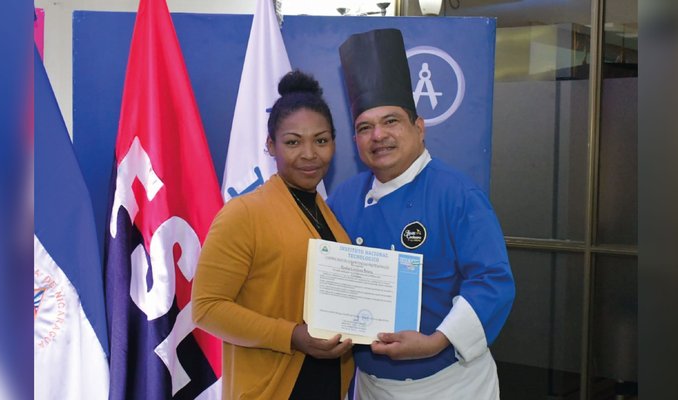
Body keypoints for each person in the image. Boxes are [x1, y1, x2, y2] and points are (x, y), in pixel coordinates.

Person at [327, 29, 515, 399]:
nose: (378, 135)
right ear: (356, 141)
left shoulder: (457, 194)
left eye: (391, 121)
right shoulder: (343, 198)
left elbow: (492, 281)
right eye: (365, 127)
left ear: (419, 127)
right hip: (370, 385)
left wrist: (436, 341)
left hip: (452, 385)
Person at [192, 70, 354, 400]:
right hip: (270, 387)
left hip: (327, 383)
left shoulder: (330, 214)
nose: (309, 154)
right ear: (271, 145)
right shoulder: (244, 213)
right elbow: (207, 308)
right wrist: (292, 335)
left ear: (334, 143)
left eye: (321, 140)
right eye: (293, 142)